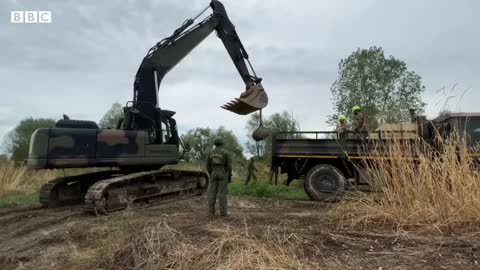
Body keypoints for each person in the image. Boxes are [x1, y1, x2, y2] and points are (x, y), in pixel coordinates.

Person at [206, 137, 232, 218]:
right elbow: (229, 166)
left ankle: (211, 212)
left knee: (212, 193)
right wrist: (229, 176)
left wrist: (211, 173)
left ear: (215, 144)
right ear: (222, 144)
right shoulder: (226, 152)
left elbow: (207, 165)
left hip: (213, 172)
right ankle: (223, 213)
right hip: (222, 172)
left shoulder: (210, 152)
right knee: (222, 194)